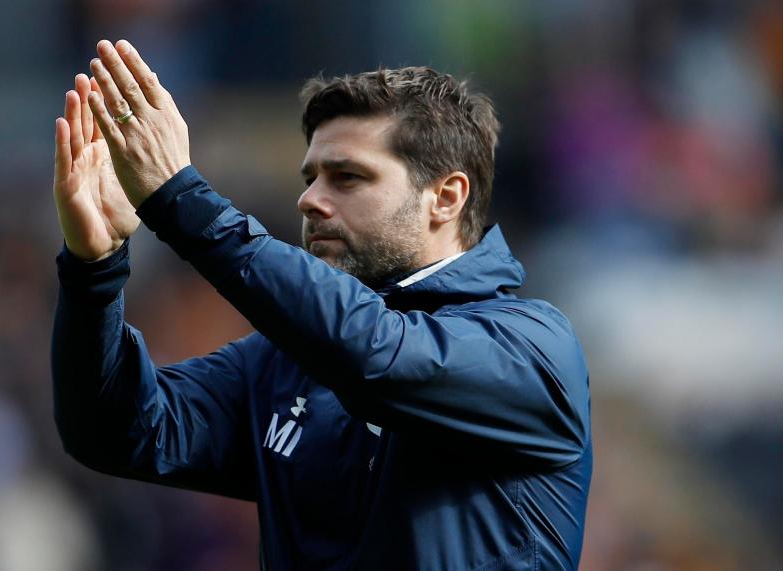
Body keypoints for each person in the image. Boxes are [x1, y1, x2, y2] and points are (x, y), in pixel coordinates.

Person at [51, 39, 592, 570]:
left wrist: (180, 200)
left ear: (446, 197)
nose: (309, 199)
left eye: (347, 176)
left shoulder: (532, 349)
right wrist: (95, 271)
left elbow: (375, 355)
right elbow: (114, 432)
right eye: (310, 178)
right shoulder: (279, 364)